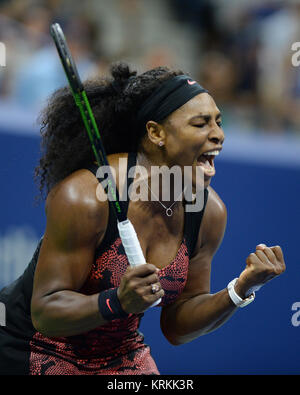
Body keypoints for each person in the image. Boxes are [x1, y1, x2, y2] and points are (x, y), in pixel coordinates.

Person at [0, 62, 286, 375]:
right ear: (155, 133)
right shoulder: (85, 197)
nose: (218, 135)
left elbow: (177, 326)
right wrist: (117, 303)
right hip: (32, 346)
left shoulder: (208, 214)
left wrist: (240, 289)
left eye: (218, 122)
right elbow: (46, 312)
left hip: (121, 355)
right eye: (201, 124)